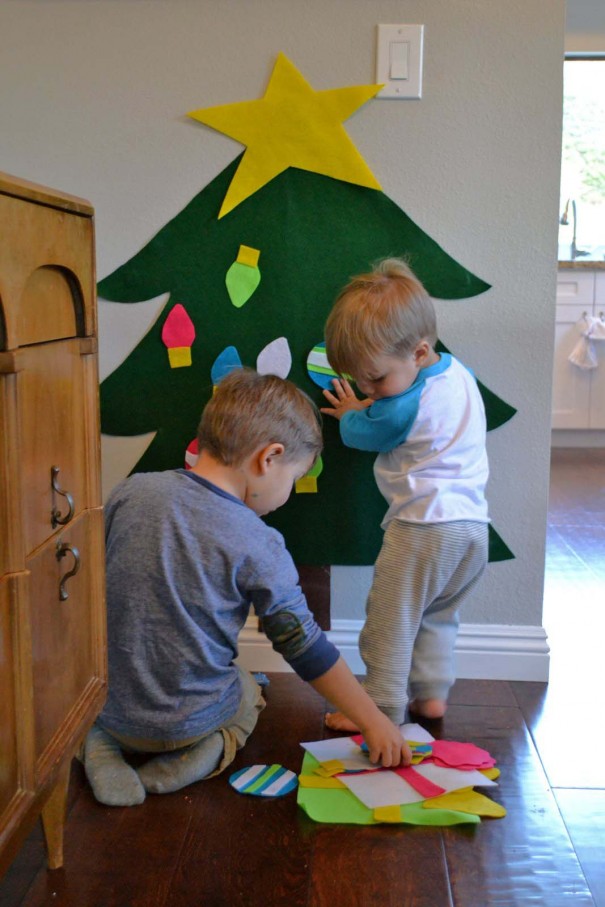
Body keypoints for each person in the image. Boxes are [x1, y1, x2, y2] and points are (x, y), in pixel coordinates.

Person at [84, 367, 411, 807]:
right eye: (293, 479)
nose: (288, 493)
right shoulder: (259, 541)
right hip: (192, 722)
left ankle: (99, 747)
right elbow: (305, 646)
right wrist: (373, 721)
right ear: (268, 458)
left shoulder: (130, 492)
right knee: (249, 691)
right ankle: (208, 750)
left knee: (93, 705)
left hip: (115, 709)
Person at [320, 258, 489, 731]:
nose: (366, 389)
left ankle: (382, 709)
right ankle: (432, 697)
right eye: (358, 382)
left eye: (374, 379)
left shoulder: (399, 409)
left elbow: (366, 434)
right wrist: (378, 388)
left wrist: (351, 413)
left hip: (424, 527)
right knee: (438, 616)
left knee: (389, 622)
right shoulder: (458, 375)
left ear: (418, 352)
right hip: (473, 530)